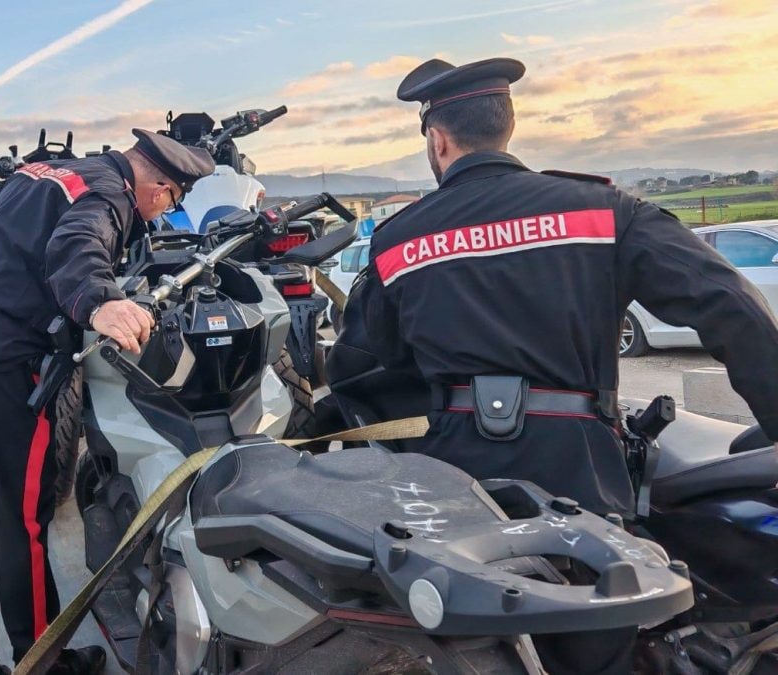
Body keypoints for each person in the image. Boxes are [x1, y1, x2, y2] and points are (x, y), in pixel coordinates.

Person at [328, 56, 778, 674]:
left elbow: (361, 367)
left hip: (456, 479)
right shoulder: (604, 210)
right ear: (507, 125)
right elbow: (733, 309)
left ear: (438, 140)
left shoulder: (399, 240)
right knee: (595, 630)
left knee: (479, 642)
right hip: (584, 468)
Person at [0, 130, 214, 675]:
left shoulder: (47, 173)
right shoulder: (110, 195)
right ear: (160, 187)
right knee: (22, 521)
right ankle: (41, 662)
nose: (164, 212)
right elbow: (79, 243)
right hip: (6, 363)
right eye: (171, 201)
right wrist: (100, 302)